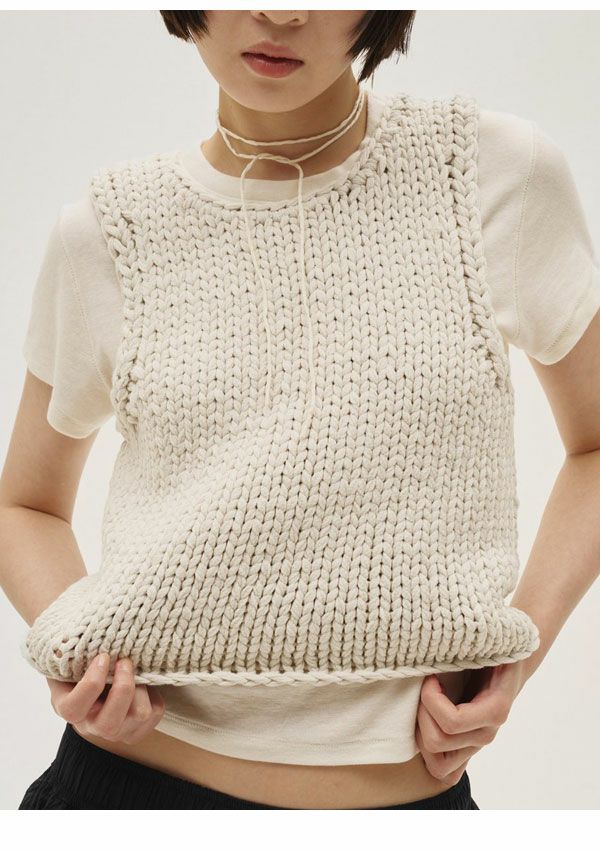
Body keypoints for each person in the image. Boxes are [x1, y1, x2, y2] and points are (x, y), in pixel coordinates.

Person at [3, 10, 600, 811]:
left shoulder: (491, 175)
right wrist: (80, 652)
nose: (283, 12)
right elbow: (26, 504)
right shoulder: (111, 233)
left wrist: (518, 655)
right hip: (125, 793)